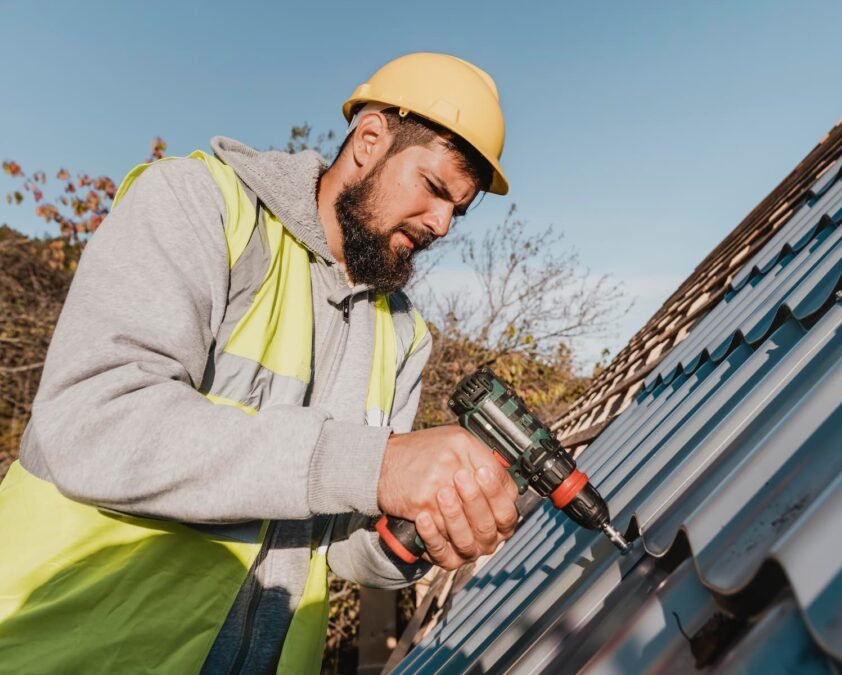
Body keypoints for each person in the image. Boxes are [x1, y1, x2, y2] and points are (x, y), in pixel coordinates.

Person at [0, 52, 519, 674]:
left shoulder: (404, 333)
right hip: (66, 655)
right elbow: (92, 424)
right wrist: (375, 463)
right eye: (434, 189)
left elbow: (342, 546)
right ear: (371, 138)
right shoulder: (200, 206)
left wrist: (420, 534)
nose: (440, 223)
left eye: (456, 211)